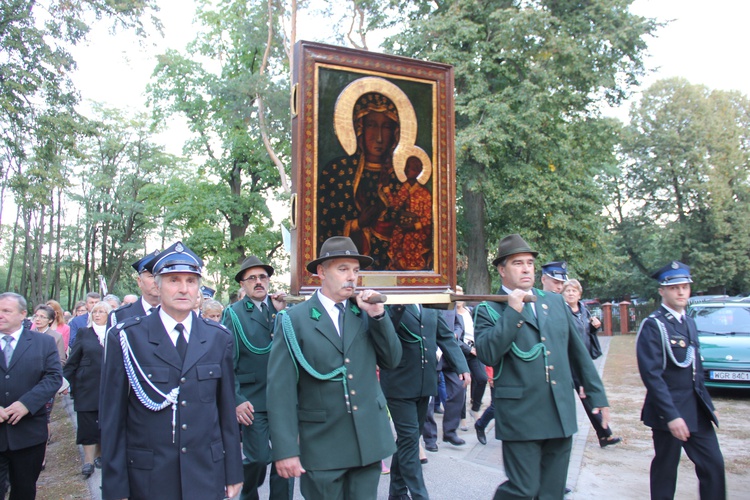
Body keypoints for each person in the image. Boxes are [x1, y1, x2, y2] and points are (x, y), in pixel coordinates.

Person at [100, 242, 243, 500]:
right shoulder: (127, 337)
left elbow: (226, 412)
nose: (183, 289)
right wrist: (115, 487)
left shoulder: (218, 338)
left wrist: (233, 471)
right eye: (173, 280)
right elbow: (112, 419)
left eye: (191, 280)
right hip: (149, 476)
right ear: (157, 284)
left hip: (205, 474)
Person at [474, 234, 610, 499]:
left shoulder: (554, 302)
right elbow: (488, 354)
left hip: (559, 411)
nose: (526, 269)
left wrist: (598, 395)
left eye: (529, 263)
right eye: (517, 263)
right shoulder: (489, 309)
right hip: (521, 414)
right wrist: (512, 312)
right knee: (522, 490)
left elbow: (578, 354)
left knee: (552, 492)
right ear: (502, 270)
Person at [267, 236, 402, 500]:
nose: (351, 277)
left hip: (367, 441)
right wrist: (285, 450)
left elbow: (392, 360)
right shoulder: (295, 320)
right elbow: (280, 391)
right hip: (322, 446)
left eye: (355, 270)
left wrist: (378, 315)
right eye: (342, 269)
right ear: (321, 272)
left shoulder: (364, 312)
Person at [636, 261, 725, 500]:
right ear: (662, 291)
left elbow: (695, 368)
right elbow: (652, 376)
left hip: (695, 409)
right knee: (666, 469)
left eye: (685, 286)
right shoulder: (654, 325)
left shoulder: (689, 321)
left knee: (713, 465)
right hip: (669, 411)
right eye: (675, 287)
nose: (681, 291)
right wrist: (672, 415)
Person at [380, 299, 469, 500]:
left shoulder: (429, 305)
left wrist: (461, 366)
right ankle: (420, 495)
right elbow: (385, 331)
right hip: (398, 383)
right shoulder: (392, 303)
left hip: (424, 383)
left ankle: (397, 492)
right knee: (410, 441)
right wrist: (397, 304)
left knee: (408, 441)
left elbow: (445, 336)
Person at [222, 255, 293, 500]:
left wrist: (281, 313)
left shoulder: (282, 310)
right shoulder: (233, 314)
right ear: (242, 284)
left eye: (263, 277)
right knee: (259, 458)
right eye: (251, 278)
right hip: (253, 399)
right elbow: (226, 363)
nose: (258, 282)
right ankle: (248, 494)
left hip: (283, 398)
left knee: (286, 458)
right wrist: (236, 399)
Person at [318, 92, 403, 269]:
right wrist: (357, 224)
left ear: (395, 132)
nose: (379, 137)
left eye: (386, 127)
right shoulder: (337, 172)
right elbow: (325, 228)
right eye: (372, 125)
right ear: (359, 128)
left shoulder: (400, 180)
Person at [0, 292, 63, 500]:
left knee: (24, 491)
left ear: (22, 314)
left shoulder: (43, 343)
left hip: (28, 434)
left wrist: (26, 404)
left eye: (6, 311)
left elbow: (54, 377)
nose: (0, 315)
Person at [561, 278, 622, 447]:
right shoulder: (561, 312)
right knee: (582, 396)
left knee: (588, 396)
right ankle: (605, 434)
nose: (571, 293)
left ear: (580, 294)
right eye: (568, 291)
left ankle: (604, 435)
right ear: (563, 294)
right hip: (567, 362)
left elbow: (587, 333)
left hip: (583, 361)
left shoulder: (584, 311)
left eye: (574, 291)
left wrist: (595, 327)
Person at [63, 301, 111, 477]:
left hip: (109, 386)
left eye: (101, 312)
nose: (97, 315)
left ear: (109, 314)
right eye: (95, 312)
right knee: (87, 423)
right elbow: (73, 360)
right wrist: (63, 381)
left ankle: (101, 455)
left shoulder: (115, 333)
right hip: (87, 385)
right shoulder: (84, 333)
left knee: (105, 422)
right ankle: (88, 462)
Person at [382, 155, 433, 270]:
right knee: (397, 235)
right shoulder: (404, 189)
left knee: (409, 240)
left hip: (418, 230)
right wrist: (386, 188)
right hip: (404, 225)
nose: (406, 170)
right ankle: (395, 266)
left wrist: (414, 226)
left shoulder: (424, 193)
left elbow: (428, 218)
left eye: (410, 168)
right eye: (406, 167)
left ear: (417, 171)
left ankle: (412, 270)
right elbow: (394, 205)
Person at [109, 250, 161, 328]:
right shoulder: (120, 315)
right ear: (139, 281)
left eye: (161, 276)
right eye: (151, 276)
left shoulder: (180, 313)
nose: (156, 281)